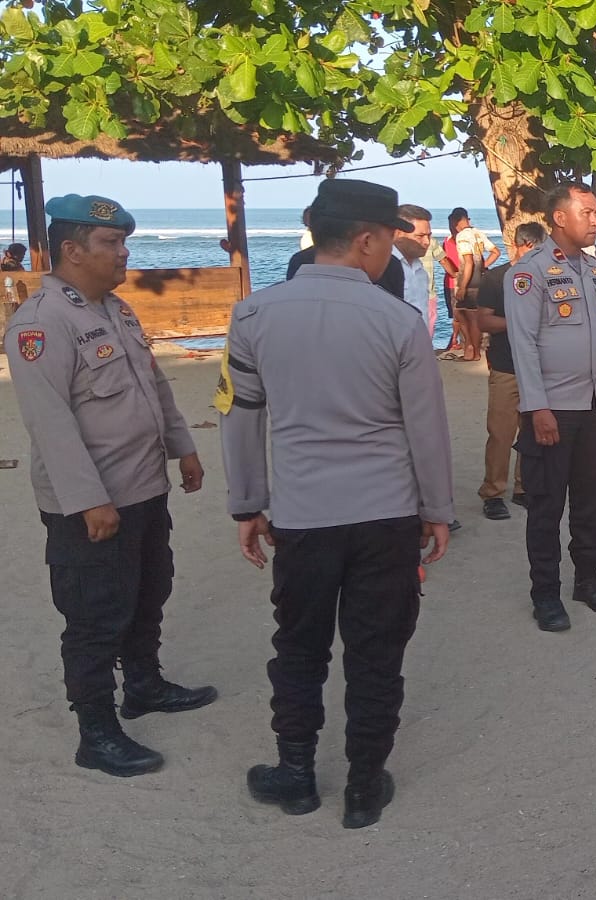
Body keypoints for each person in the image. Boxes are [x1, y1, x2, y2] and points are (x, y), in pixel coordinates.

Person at [217, 178, 454, 829]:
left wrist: (247, 504)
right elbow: (425, 430)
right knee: (377, 653)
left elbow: (240, 418)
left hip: (301, 515)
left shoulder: (255, 315)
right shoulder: (398, 322)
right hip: (386, 515)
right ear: (368, 239)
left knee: (299, 647)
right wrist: (438, 510)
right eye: (388, 243)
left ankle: (295, 775)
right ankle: (362, 785)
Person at [5, 193, 216, 778]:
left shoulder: (117, 311)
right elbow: (49, 421)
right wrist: (89, 500)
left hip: (144, 485)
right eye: (111, 243)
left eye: (125, 241)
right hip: (92, 502)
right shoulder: (42, 323)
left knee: (150, 589)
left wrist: (183, 447)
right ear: (72, 250)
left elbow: (155, 388)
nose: (124, 253)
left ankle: (143, 685)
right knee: (95, 613)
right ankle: (95, 731)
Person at [504, 182, 596, 632]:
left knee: (590, 502)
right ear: (559, 217)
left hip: (594, 408)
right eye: (587, 212)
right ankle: (545, 594)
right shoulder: (530, 273)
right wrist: (536, 407)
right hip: (553, 410)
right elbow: (522, 343)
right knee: (546, 506)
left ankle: (588, 580)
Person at [475, 221, 545, 520]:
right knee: (501, 434)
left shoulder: (546, 279)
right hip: (505, 366)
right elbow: (484, 321)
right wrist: (519, 325)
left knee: (532, 434)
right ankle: (492, 493)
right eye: (538, 249)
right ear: (524, 245)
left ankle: (523, 488)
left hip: (539, 369)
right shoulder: (496, 278)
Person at [445, 207, 499, 362]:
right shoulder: (478, 233)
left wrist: (462, 286)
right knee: (468, 315)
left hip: (468, 281)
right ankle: (472, 348)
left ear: (456, 222)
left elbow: (468, 262)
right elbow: (496, 252)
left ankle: (472, 349)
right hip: (479, 279)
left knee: (463, 315)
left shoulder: (462, 236)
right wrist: (483, 266)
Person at [392, 204, 438, 334]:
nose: (427, 242)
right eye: (420, 236)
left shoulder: (420, 271)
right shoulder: (385, 268)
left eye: (429, 236)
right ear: (398, 234)